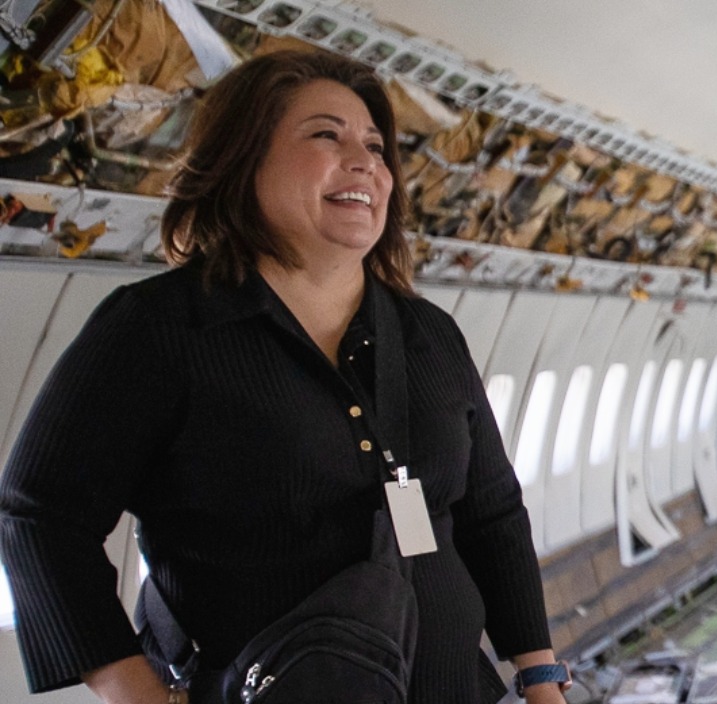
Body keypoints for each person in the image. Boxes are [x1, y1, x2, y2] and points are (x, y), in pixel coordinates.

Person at [0, 51, 567, 703]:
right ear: (244, 159)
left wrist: (541, 676)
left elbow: (492, 513)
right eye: (326, 134)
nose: (365, 163)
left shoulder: (429, 335)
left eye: (376, 147)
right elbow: (40, 516)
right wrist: (133, 690)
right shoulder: (160, 329)